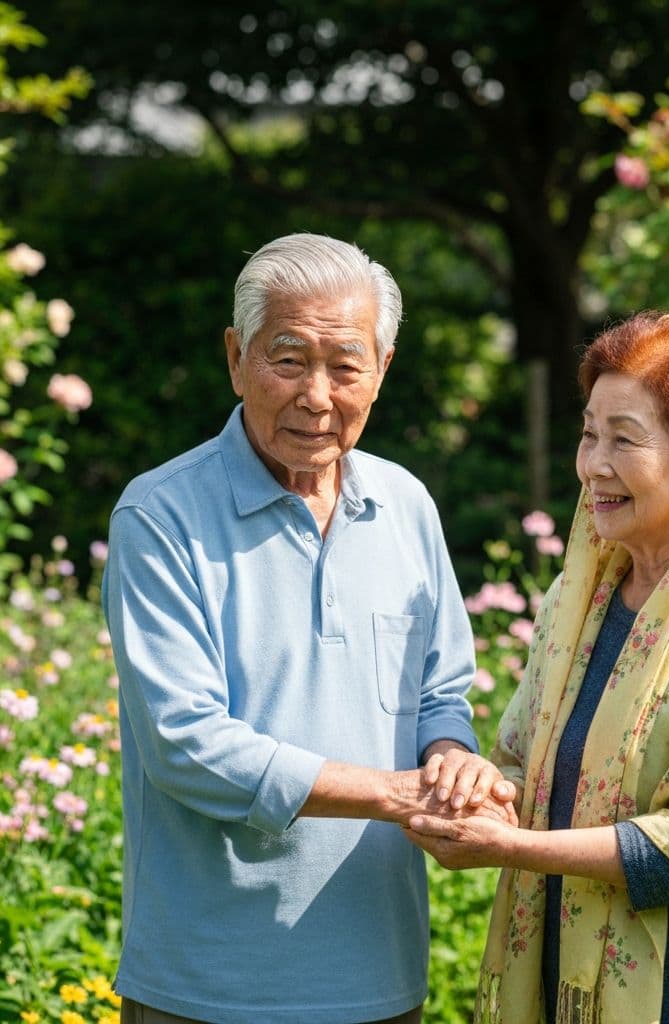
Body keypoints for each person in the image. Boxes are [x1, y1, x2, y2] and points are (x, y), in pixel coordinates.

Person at [102, 232, 514, 1024]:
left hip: (382, 974)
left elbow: (440, 691)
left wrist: (451, 758)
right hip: (209, 986)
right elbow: (186, 745)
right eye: (287, 359)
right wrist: (395, 794)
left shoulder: (406, 505)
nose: (317, 395)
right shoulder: (160, 516)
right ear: (236, 356)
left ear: (383, 371)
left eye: (346, 365)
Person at [405, 312, 669, 1024]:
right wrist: (480, 789)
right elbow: (529, 762)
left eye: (624, 440)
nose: (593, 465)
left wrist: (513, 848)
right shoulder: (587, 597)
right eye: (588, 433)